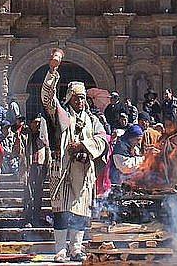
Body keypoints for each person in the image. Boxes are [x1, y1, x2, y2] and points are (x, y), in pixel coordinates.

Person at [42, 48, 108, 263]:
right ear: (69, 98)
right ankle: (60, 250)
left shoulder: (93, 120)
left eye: (82, 98)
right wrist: (53, 71)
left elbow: (102, 140)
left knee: (80, 211)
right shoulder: (60, 115)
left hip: (83, 170)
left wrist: (83, 145)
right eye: (77, 98)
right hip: (62, 169)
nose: (80, 101)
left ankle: (76, 248)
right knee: (61, 210)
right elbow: (47, 98)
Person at [22, 116, 49, 228]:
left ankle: (36, 217)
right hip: (29, 166)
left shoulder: (44, 137)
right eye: (35, 123)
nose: (37, 125)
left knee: (38, 194)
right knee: (28, 193)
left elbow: (47, 151)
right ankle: (27, 218)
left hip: (40, 166)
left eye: (39, 123)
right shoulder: (26, 136)